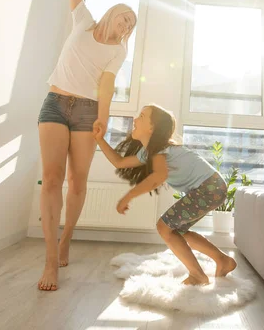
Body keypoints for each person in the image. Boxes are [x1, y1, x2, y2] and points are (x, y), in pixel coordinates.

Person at [37, 0, 137, 291]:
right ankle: (51, 260)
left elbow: (106, 86)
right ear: (113, 13)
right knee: (51, 179)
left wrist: (104, 118)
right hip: (54, 102)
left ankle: (67, 237)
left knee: (76, 181)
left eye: (131, 25)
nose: (127, 25)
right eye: (125, 17)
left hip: (86, 111)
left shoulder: (119, 51)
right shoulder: (83, 21)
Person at [94, 104, 237, 286]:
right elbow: (120, 162)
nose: (135, 120)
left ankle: (198, 275)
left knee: (164, 227)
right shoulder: (149, 151)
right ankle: (223, 261)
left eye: (142, 116)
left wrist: (128, 197)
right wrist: (99, 139)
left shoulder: (160, 149)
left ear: (152, 127)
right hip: (212, 187)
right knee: (177, 231)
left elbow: (158, 176)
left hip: (209, 188)